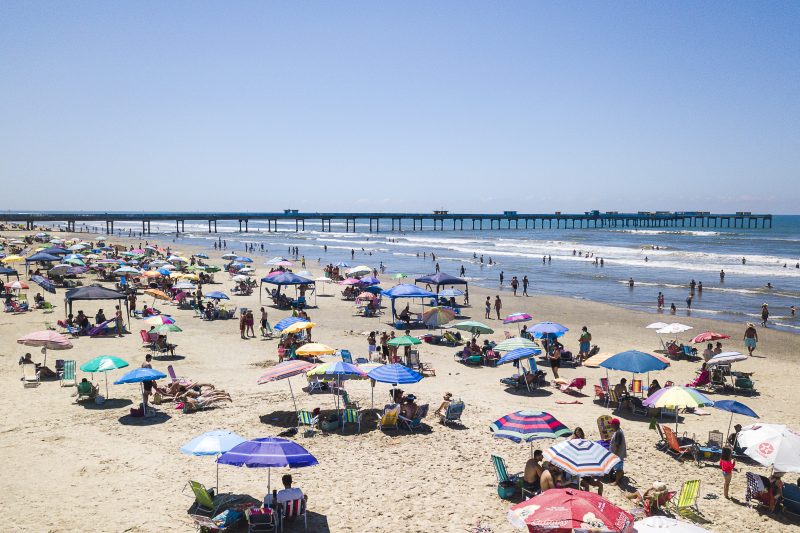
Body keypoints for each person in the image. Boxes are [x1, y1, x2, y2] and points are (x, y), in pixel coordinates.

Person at [609, 418, 626, 485]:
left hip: (618, 454)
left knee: (618, 468)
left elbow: (617, 445)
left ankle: (617, 481)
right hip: (619, 454)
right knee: (620, 467)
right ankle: (620, 477)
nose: (610, 426)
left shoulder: (618, 433)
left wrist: (614, 454)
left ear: (615, 425)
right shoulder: (618, 431)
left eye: (611, 424)